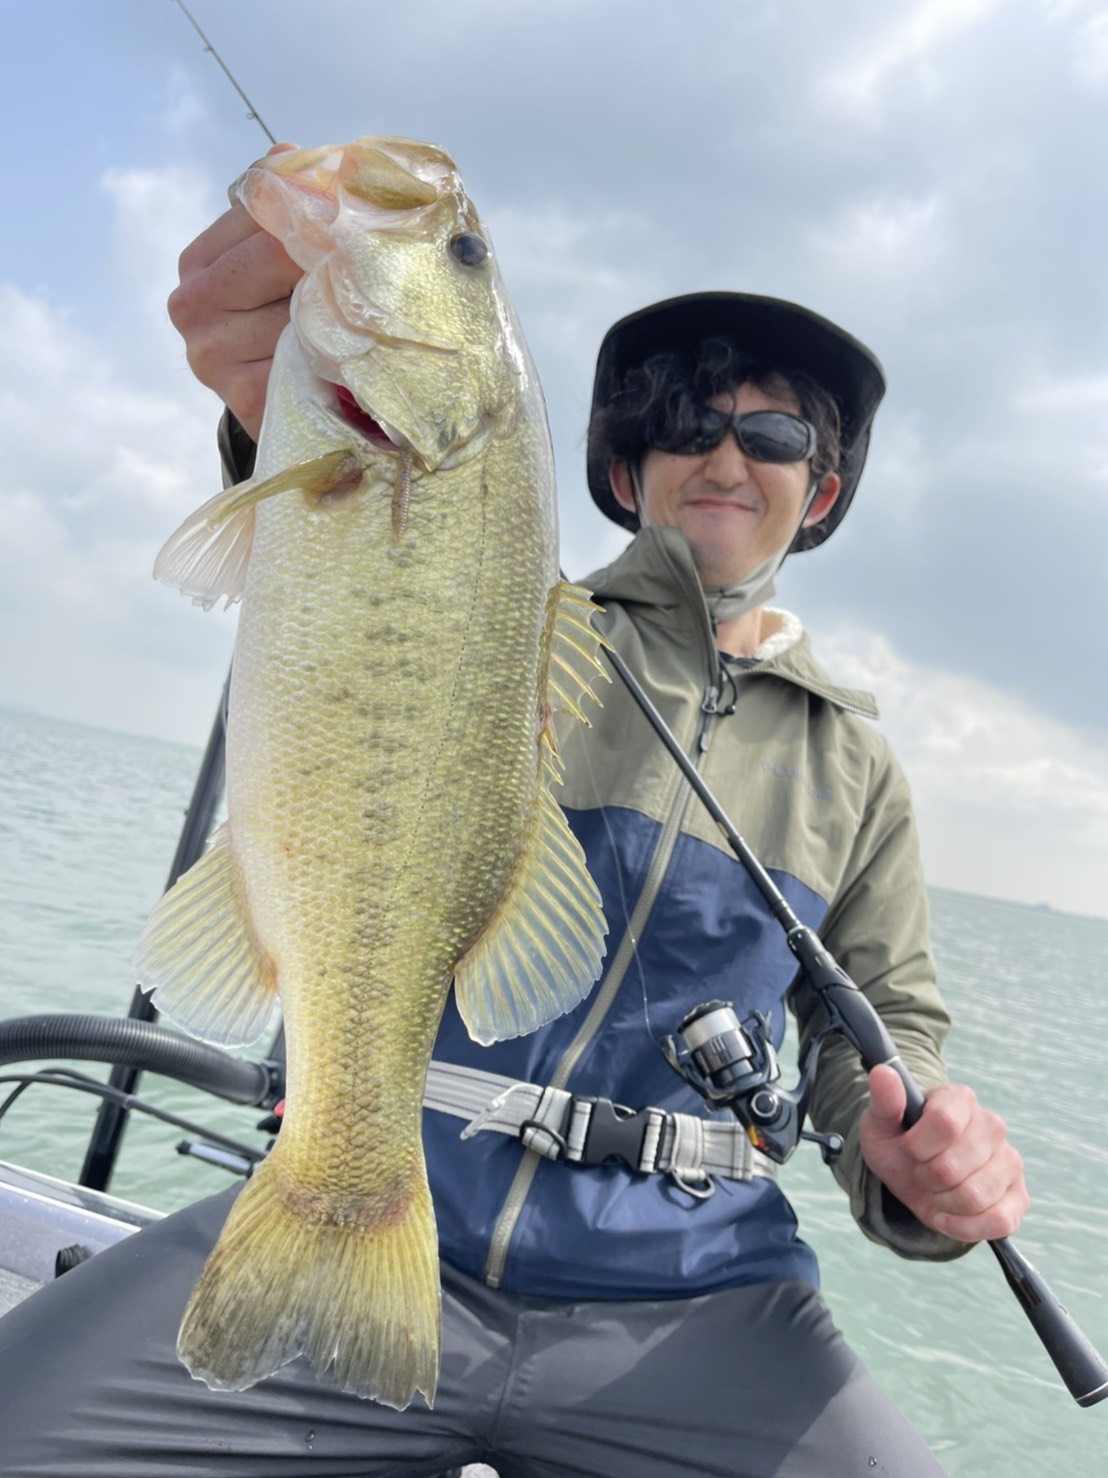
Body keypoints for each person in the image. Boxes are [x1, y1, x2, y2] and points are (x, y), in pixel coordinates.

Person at [0, 172, 1027, 1478]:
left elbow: (878, 1033)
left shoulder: (858, 770)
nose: (726, 456)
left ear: (818, 492)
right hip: (394, 1211)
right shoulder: (504, 624)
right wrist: (274, 417)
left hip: (700, 1297)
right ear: (624, 467)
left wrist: (912, 1147)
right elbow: (349, 574)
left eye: (772, 433)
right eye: (687, 422)